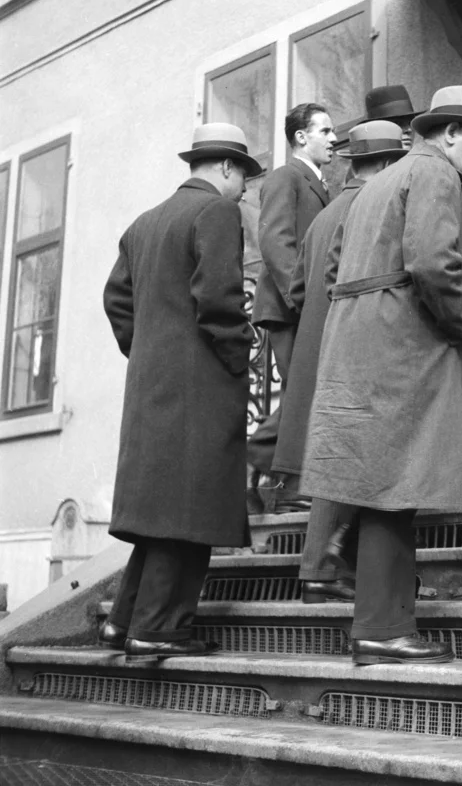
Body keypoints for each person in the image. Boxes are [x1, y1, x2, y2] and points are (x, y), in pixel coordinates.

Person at [302, 87, 462, 664]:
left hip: (363, 344)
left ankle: (379, 622)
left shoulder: (375, 183)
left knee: (379, 486)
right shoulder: (439, 175)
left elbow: (333, 266)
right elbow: (432, 264)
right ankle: (383, 628)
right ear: (448, 134)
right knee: (397, 487)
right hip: (405, 348)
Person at [101, 123, 259, 660]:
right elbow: (219, 300)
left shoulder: (144, 222)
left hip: (153, 385)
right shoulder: (216, 212)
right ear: (227, 169)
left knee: (160, 510)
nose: (245, 189)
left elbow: (117, 300)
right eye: (245, 177)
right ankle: (157, 630)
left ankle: (122, 622)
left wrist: (147, 350)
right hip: (202, 384)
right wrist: (241, 359)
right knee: (189, 510)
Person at [271, 120, 409, 604]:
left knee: (337, 457)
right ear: (389, 164)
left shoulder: (326, 213)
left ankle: (327, 569)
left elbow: (297, 288)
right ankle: (322, 569)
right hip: (349, 352)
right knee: (343, 459)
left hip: (318, 349)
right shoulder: (370, 207)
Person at [248, 103, 337, 511]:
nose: (334, 139)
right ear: (301, 137)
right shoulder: (287, 176)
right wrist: (300, 299)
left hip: (301, 306)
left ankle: (263, 470)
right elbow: (274, 241)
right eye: (326, 131)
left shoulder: (317, 183)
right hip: (289, 308)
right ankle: (278, 481)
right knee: (305, 392)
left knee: (305, 393)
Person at [332, 84, 420, 149]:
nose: (408, 130)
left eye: (410, 123)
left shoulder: (418, 166)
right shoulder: (367, 169)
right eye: (398, 123)